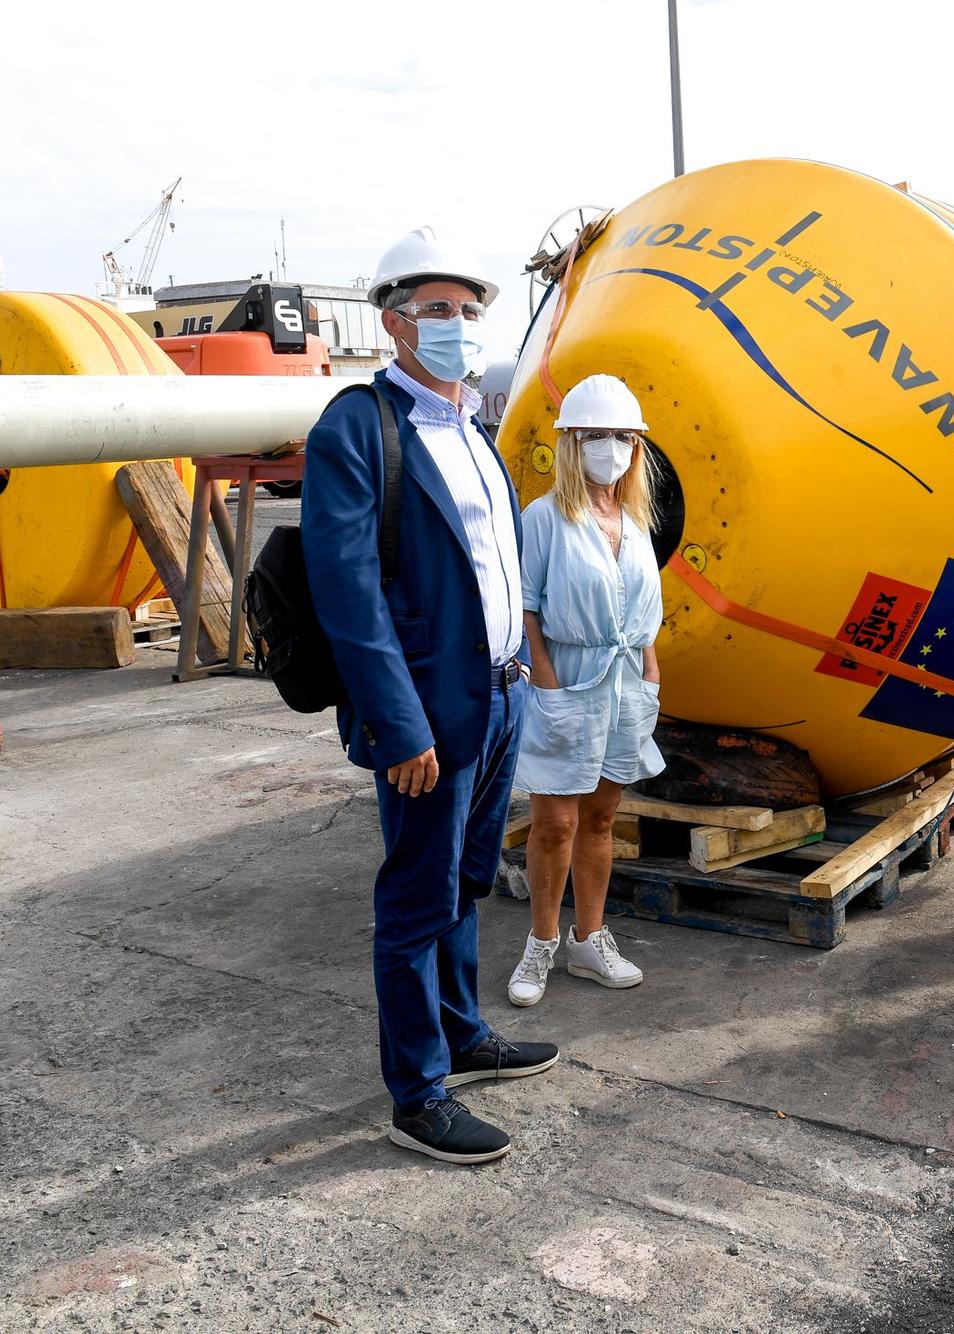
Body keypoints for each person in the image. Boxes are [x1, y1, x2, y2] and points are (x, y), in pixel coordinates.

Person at [304, 225, 557, 1165]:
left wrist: (521, 673)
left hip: (496, 702)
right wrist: (398, 724)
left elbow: (494, 570)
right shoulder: (361, 427)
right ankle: (417, 1091)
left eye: (470, 310)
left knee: (467, 883)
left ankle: (462, 1034)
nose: (459, 325)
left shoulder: (474, 435)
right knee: (415, 900)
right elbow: (349, 596)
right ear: (394, 323)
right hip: (426, 718)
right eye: (439, 310)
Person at [505, 374, 666, 1007]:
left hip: (626, 681)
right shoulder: (544, 518)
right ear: (572, 443)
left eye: (623, 436)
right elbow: (525, 608)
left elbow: (646, 608)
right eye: (596, 435)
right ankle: (541, 943)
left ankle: (588, 938)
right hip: (569, 675)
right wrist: (545, 681)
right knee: (554, 822)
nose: (611, 447)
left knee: (602, 817)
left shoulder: (634, 520)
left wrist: (651, 668)